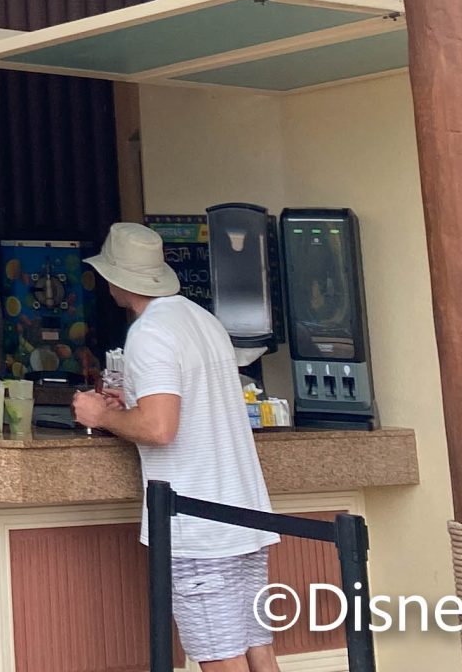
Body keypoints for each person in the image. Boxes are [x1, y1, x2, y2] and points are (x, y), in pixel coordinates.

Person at [71, 223, 278, 672]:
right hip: (244, 512)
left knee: (220, 656)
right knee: (258, 652)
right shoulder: (203, 321)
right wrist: (131, 403)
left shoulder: (149, 332)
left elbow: (160, 427)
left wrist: (100, 415)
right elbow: (189, 403)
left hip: (199, 525)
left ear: (116, 279)